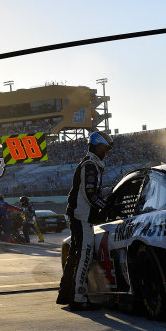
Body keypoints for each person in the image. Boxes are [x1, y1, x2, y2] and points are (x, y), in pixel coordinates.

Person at [56, 131, 113, 311]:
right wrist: (106, 206)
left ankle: (67, 294)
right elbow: (90, 194)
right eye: (106, 148)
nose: (107, 152)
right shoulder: (90, 165)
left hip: (79, 215)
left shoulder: (91, 163)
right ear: (98, 146)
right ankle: (79, 298)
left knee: (75, 257)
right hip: (82, 217)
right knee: (84, 256)